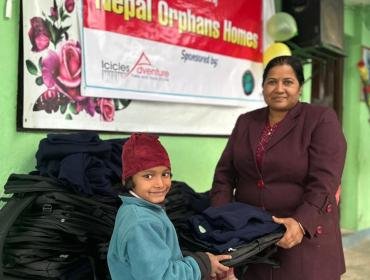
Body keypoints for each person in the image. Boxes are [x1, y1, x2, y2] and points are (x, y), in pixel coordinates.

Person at [210, 55, 347, 280]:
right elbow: (224, 175)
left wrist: (301, 223)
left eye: (288, 82)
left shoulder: (320, 119)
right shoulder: (246, 122)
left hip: (302, 238)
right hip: (251, 238)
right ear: (263, 87)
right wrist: (220, 219)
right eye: (272, 81)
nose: (279, 88)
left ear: (300, 87)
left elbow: (325, 181)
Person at [108, 133, 231, 280]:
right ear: (129, 180)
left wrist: (202, 263)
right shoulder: (142, 222)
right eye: (148, 176)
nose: (160, 184)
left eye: (165, 174)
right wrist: (202, 265)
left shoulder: (139, 209)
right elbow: (161, 277)